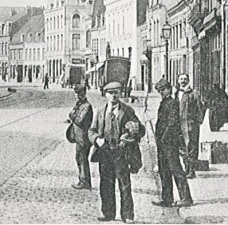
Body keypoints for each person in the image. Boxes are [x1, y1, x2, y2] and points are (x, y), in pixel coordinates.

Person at [88, 82, 145, 224]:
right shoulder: (100, 111)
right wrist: (97, 140)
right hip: (105, 153)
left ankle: (128, 215)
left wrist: (129, 135)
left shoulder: (127, 111)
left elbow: (140, 130)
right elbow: (91, 131)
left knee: (124, 185)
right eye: (110, 93)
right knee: (106, 185)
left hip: (121, 154)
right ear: (105, 95)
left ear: (120, 94)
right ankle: (108, 214)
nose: (113, 96)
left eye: (116, 92)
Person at [152, 79, 193, 208]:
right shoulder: (165, 102)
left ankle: (186, 198)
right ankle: (167, 198)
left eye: (163, 90)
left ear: (169, 89)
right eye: (159, 91)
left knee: (176, 169)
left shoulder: (173, 103)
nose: (161, 93)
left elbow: (172, 122)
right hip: (162, 142)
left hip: (169, 142)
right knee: (164, 170)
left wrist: (164, 138)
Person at [175, 73, 205, 178]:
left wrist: (197, 121)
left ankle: (191, 171)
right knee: (181, 148)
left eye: (185, 79)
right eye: (181, 79)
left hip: (190, 125)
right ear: (178, 81)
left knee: (192, 147)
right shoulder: (176, 94)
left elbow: (201, 108)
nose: (183, 81)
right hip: (179, 125)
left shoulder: (194, 94)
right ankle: (186, 168)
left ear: (188, 81)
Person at [67, 83, 94, 190]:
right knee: (79, 158)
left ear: (84, 93)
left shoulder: (86, 106)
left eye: (79, 93)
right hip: (79, 138)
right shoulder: (79, 104)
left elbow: (79, 120)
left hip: (84, 139)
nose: (77, 95)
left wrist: (72, 116)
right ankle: (82, 180)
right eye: (76, 94)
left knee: (82, 159)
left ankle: (85, 182)